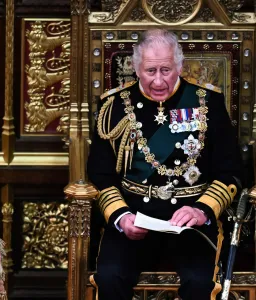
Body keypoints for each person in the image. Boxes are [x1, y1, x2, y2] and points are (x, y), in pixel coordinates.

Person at [87, 29, 242, 300]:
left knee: (200, 283)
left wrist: (202, 211)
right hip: (133, 218)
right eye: (150, 71)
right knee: (110, 278)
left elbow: (231, 172)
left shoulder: (208, 103)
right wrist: (122, 217)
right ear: (136, 68)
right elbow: (100, 174)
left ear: (180, 66)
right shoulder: (113, 107)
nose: (158, 81)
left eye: (166, 70)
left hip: (190, 224)